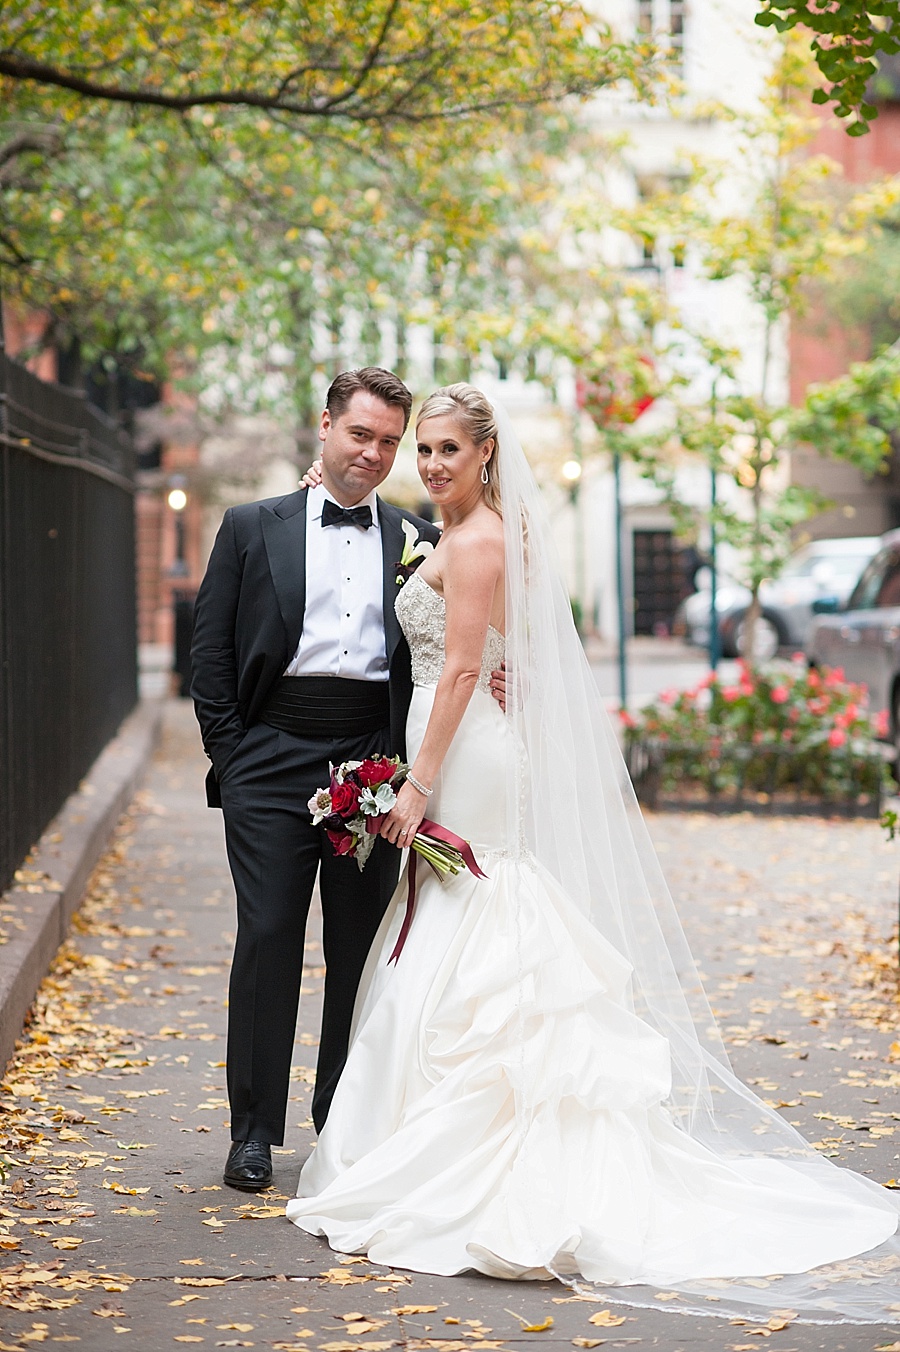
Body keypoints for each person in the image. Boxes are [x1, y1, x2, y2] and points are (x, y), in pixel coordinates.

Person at [286, 383, 900, 1326]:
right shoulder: (465, 535)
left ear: (487, 455)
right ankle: (424, 1126)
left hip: (461, 752)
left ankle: (485, 1146)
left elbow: (456, 668)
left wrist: (417, 784)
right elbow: (504, 661)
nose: (436, 464)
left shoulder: (480, 540)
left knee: (480, 904)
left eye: (453, 449)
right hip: (464, 740)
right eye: (429, 450)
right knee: (451, 911)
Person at [190, 368, 447, 1193]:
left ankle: (340, 1120)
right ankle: (253, 1131)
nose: (371, 453)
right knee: (267, 936)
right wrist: (233, 754)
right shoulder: (248, 527)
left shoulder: (419, 539)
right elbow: (212, 652)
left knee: (357, 945)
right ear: (325, 425)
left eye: (387, 441)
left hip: (369, 760)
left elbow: (461, 636)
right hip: (268, 757)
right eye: (358, 434)